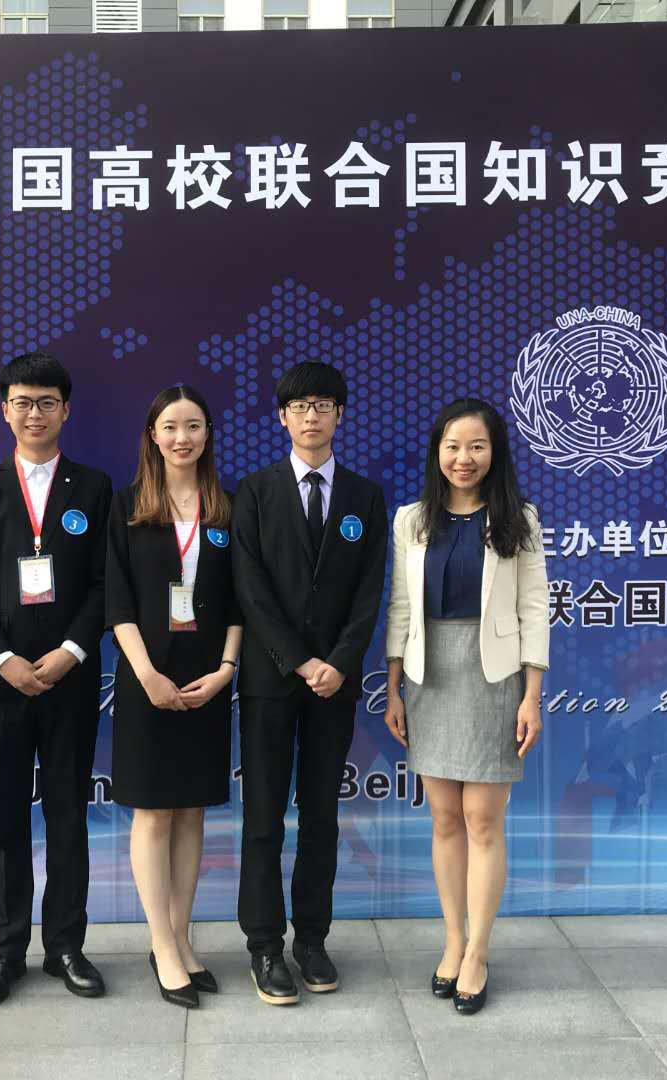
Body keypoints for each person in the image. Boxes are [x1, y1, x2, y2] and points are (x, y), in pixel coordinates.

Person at [0, 351, 113, 1008]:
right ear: (5, 411)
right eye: (23, 402)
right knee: (4, 819)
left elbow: (105, 583)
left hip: (70, 681)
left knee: (69, 815)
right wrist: (3, 659)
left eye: (47, 402)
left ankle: (67, 946)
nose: (35, 414)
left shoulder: (94, 488)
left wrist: (72, 650)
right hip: (1, 685)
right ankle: (6, 951)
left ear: (66, 410)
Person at [383, 398, 550, 1017]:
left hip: (493, 675)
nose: (463, 458)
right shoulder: (411, 520)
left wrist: (532, 695)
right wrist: (393, 687)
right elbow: (401, 606)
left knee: (483, 819)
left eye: (476, 446)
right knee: (445, 818)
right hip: (429, 674)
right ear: (437, 452)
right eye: (452, 446)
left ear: (494, 453)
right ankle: (452, 941)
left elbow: (534, 607)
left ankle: (478, 951)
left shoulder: (518, 519)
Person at [232, 361, 388, 1005]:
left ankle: (312, 940)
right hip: (271, 679)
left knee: (322, 815)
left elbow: (369, 592)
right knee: (264, 816)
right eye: (299, 406)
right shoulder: (254, 492)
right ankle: (265, 944)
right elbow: (250, 588)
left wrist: (339, 662)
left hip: (336, 684)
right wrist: (299, 660)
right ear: (282, 417)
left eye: (323, 405)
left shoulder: (365, 497)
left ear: (340, 415)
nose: (311, 416)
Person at [106, 384, 243, 1010]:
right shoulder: (128, 506)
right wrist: (147, 676)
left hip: (206, 679)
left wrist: (226, 669)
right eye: (170, 426)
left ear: (208, 433)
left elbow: (240, 601)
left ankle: (183, 938)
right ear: (152, 436)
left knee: (192, 812)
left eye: (193, 426)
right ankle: (161, 944)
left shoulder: (227, 508)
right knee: (154, 813)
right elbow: (117, 602)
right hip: (147, 678)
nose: (182, 437)